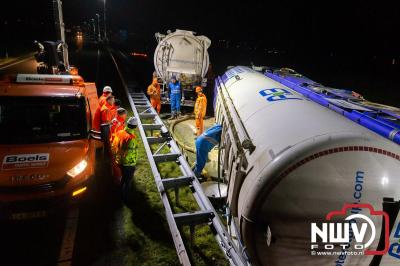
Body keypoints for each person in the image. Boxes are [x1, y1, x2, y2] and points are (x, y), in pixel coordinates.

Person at [111, 117, 139, 200]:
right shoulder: (131, 138)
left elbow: (113, 146)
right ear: (135, 127)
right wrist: (133, 164)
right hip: (128, 164)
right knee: (128, 182)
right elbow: (131, 154)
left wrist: (116, 156)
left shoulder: (119, 132)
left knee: (123, 178)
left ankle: (119, 193)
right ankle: (126, 198)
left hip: (119, 161)